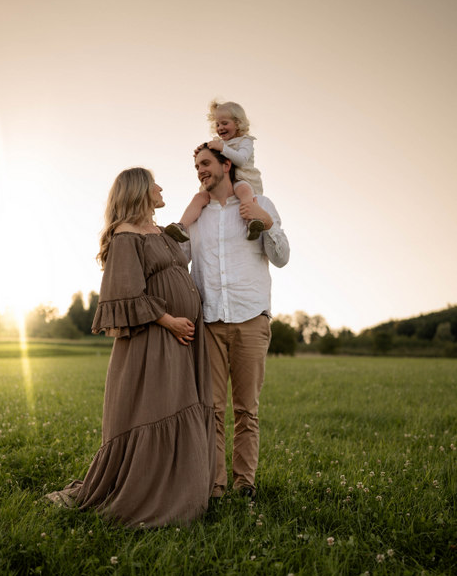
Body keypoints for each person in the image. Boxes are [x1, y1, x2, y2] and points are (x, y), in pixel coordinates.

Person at [45, 167, 216, 527]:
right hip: (156, 338)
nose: (160, 187)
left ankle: (183, 489)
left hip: (183, 338)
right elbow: (124, 294)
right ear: (140, 190)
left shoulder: (156, 230)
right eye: (155, 183)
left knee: (182, 403)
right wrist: (168, 320)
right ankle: (154, 495)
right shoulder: (125, 235)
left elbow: (178, 258)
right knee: (161, 408)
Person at [181, 144, 290, 500]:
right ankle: (214, 487)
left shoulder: (258, 203)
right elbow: (177, 259)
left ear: (227, 164)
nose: (200, 170)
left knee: (246, 410)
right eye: (197, 166)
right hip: (209, 322)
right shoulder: (197, 215)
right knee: (210, 410)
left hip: (250, 318)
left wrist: (266, 220)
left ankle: (244, 485)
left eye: (206, 163)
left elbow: (282, 257)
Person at [165, 100, 265, 242]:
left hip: (241, 178)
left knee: (244, 190)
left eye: (225, 123)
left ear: (238, 123)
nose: (220, 128)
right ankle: (182, 226)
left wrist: (222, 149)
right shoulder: (220, 142)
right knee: (199, 198)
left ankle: (251, 221)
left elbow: (242, 160)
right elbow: (213, 157)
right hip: (223, 182)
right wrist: (203, 151)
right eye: (217, 124)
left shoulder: (245, 141)